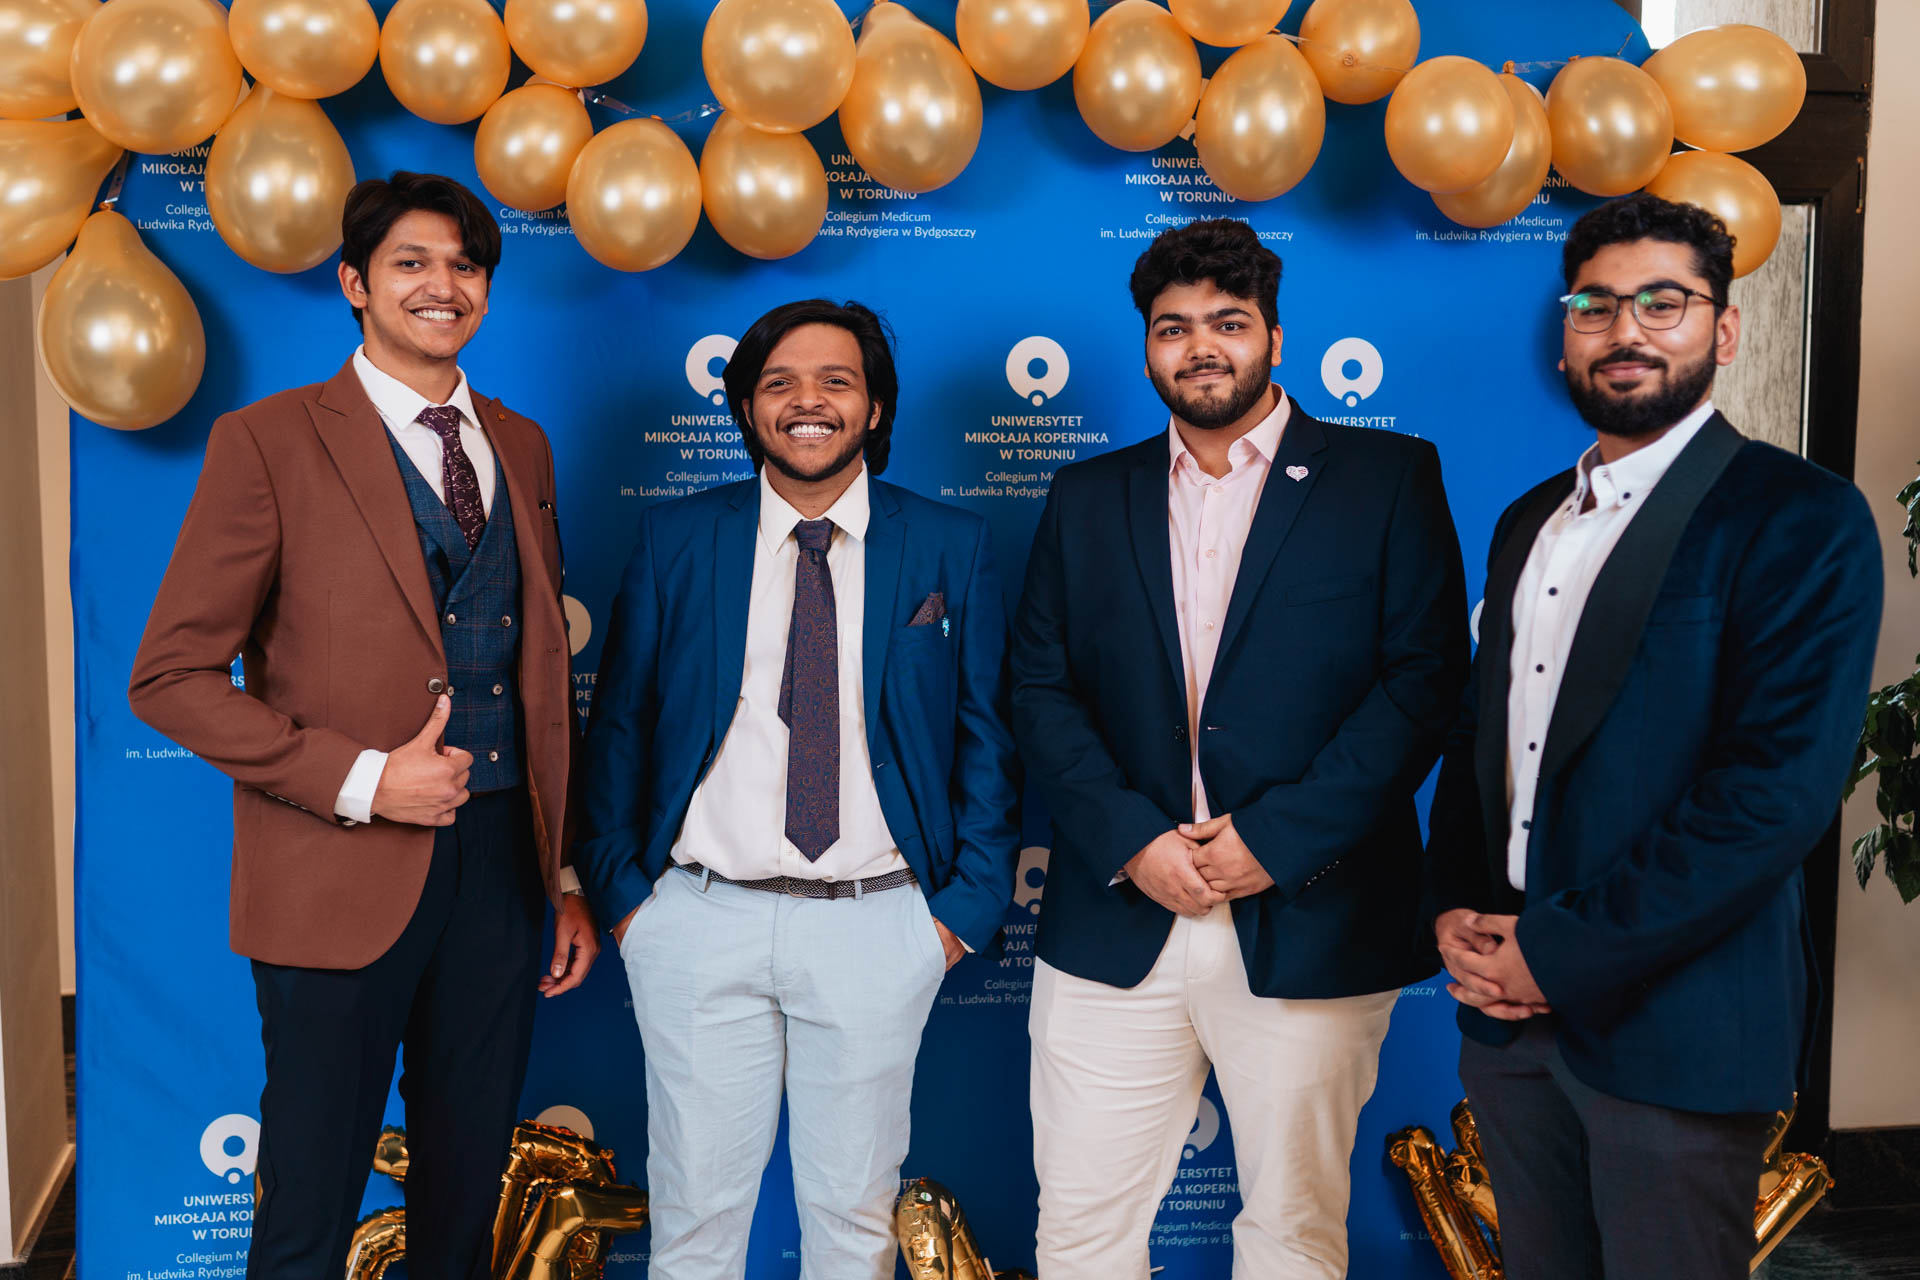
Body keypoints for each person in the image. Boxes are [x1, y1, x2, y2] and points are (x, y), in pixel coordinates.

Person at [128, 171, 597, 1280]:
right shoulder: (270, 439)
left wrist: (564, 870)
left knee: (466, 1188)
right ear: (354, 283)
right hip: (335, 868)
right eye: (411, 263)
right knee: (309, 1197)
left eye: (465, 265)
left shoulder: (522, 444)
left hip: (501, 868)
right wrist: (363, 779)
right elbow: (170, 675)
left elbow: (536, 677)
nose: (444, 285)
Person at [1425, 192, 1884, 1279]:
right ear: (1566, 334)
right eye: (1595, 305)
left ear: (1724, 331)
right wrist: (1453, 904)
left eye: (1663, 302)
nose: (1625, 329)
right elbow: (1485, 736)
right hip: (1509, 1023)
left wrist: (1557, 953)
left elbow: (1771, 795)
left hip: (1677, 1025)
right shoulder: (1528, 520)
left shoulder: (1801, 517)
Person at [1011, 217, 1469, 1278]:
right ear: (1146, 350)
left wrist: (1275, 839)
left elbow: (1423, 681)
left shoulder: (1386, 477)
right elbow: (1039, 688)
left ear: (1274, 336)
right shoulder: (1087, 496)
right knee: (1080, 1233)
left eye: (1228, 321)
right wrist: (1134, 841)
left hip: (1312, 911)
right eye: (1173, 328)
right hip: (1119, 913)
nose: (1200, 346)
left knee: (1293, 1233)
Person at [574, 299, 1020, 1280]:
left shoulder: (948, 543)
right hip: (697, 919)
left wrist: (960, 914)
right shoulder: (677, 537)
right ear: (747, 407)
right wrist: (627, 901)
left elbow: (986, 735)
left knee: (853, 1220)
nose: (806, 401)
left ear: (874, 407)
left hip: (878, 923)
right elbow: (620, 726)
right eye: (779, 382)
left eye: (835, 381)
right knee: (693, 1220)